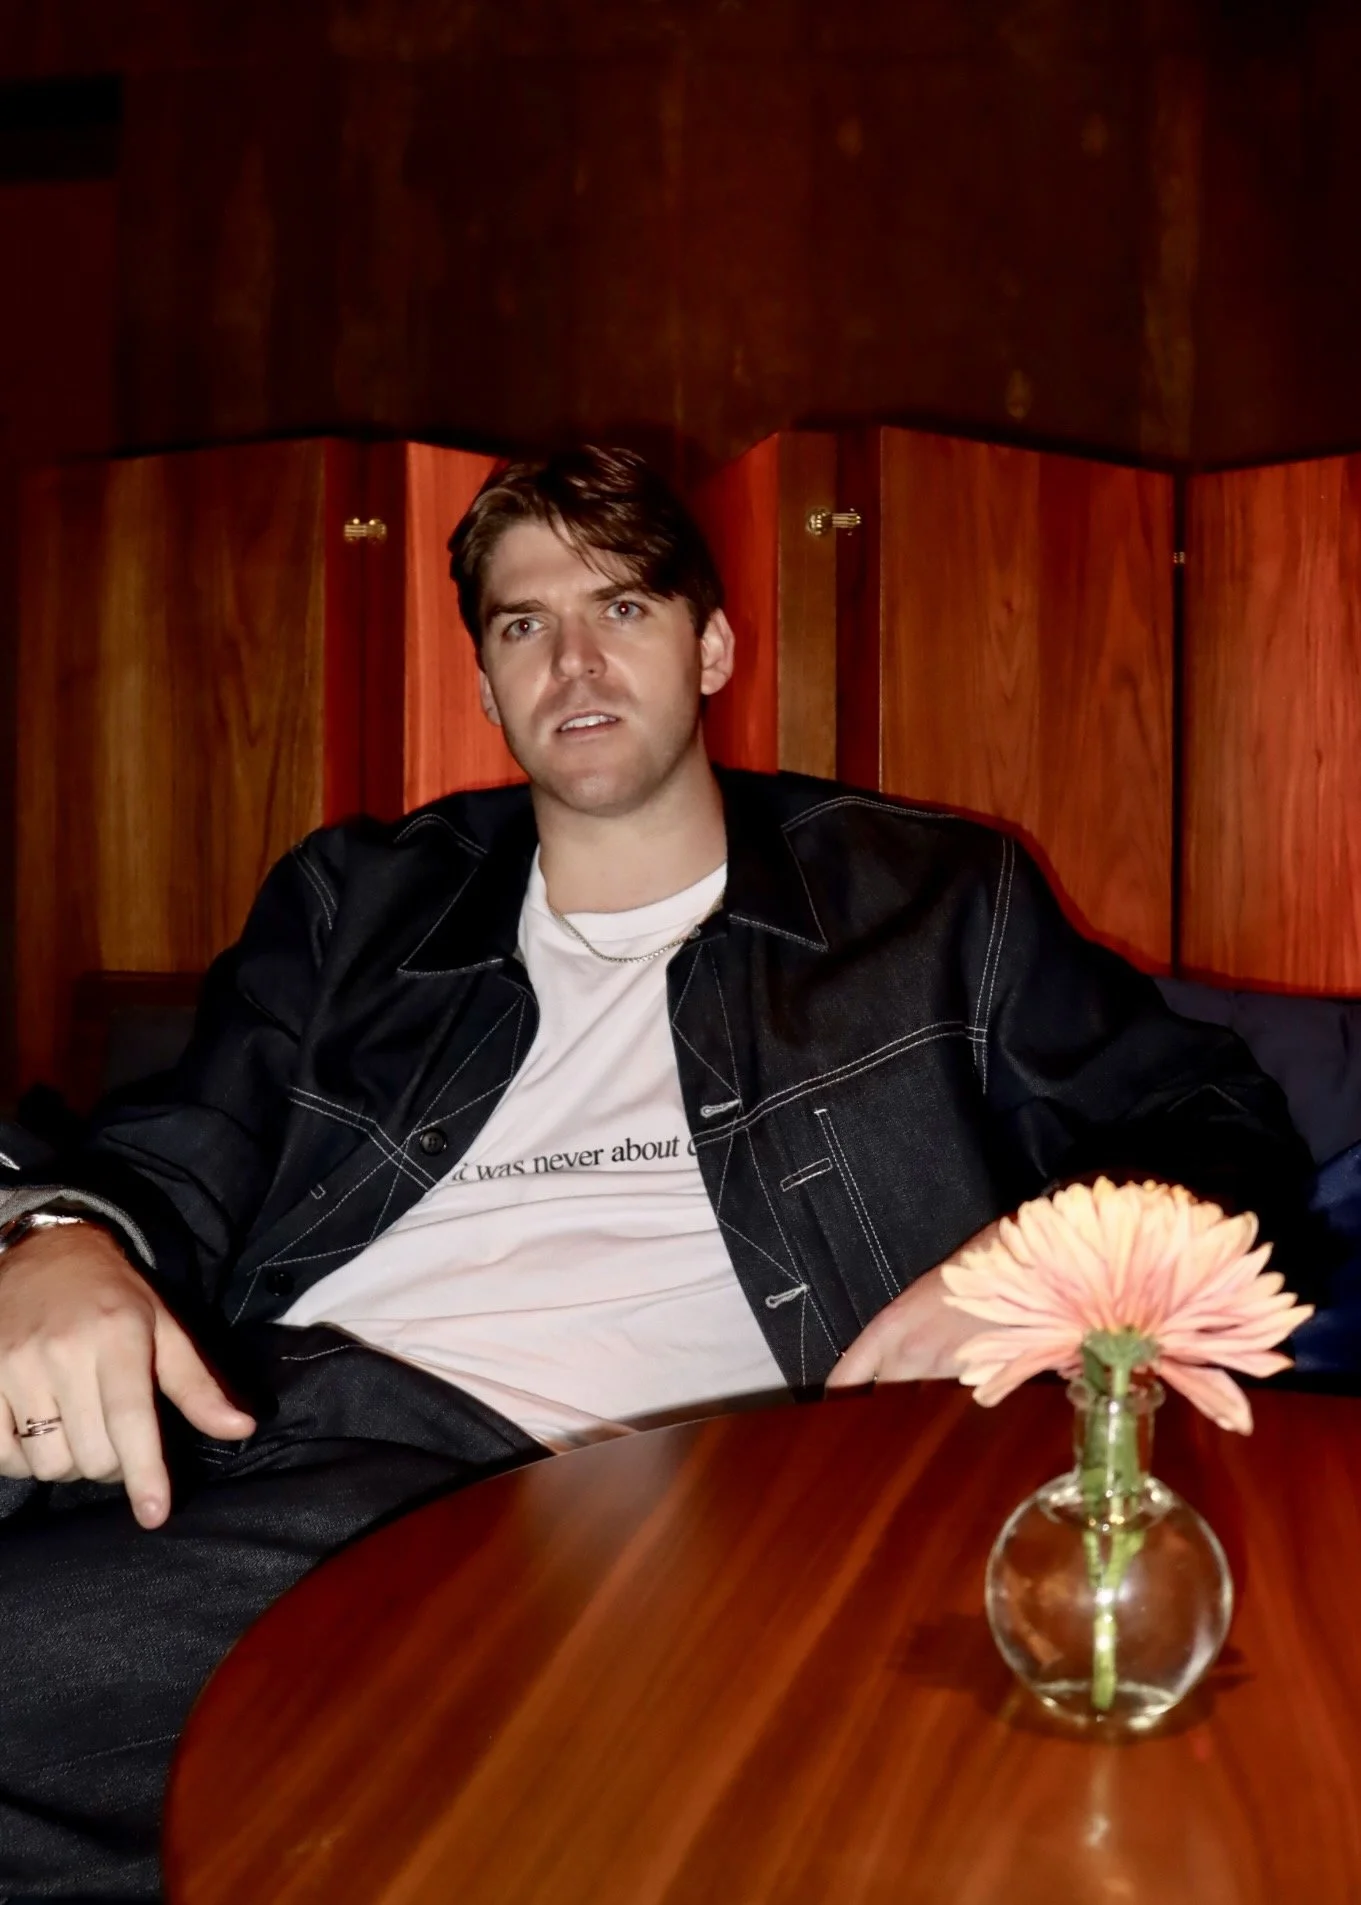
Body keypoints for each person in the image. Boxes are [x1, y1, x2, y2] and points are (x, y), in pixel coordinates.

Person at [0, 446, 1312, 1899]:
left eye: (622, 608)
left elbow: (1219, 1126)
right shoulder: (356, 899)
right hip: (269, 1428)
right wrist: (57, 1234)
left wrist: (1032, 1267)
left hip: (629, 1505)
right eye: (524, 624)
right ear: (486, 684)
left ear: (712, 648)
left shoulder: (932, 902)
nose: (572, 661)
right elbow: (180, 1148)